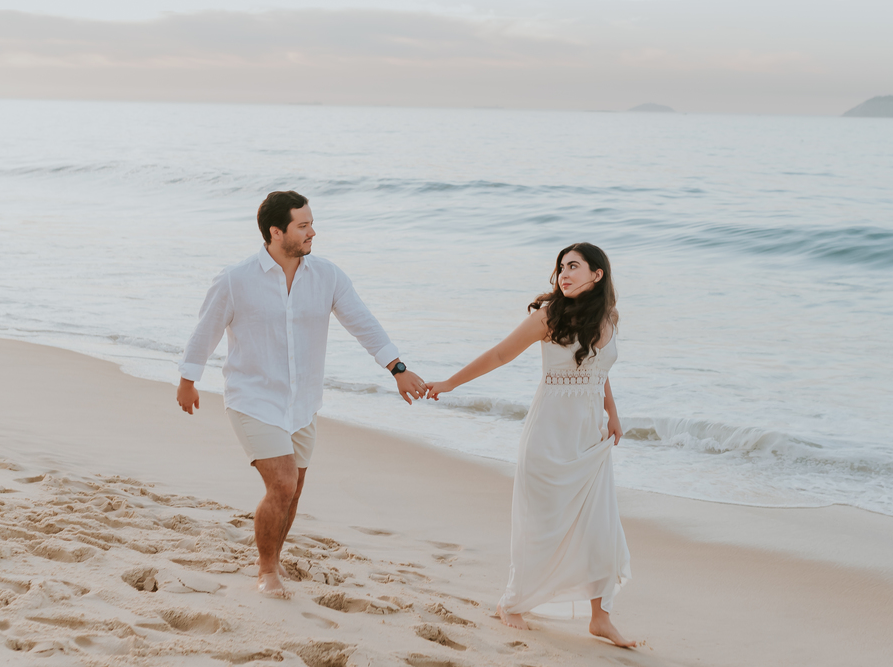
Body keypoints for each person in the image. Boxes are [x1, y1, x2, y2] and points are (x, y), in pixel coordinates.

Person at [176, 190, 426, 599]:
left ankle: (273, 555)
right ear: (276, 232)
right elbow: (205, 330)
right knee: (283, 485)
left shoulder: (327, 276)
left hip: (304, 403)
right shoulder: (236, 280)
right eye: (303, 225)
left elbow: (362, 322)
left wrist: (397, 368)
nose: (314, 232)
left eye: (312, 223)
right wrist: (188, 380)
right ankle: (267, 570)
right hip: (253, 398)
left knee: (293, 492)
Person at [426, 243, 636, 648]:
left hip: (590, 437)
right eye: (560, 267)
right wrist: (450, 383)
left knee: (600, 526)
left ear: (598, 274)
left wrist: (612, 410)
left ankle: (600, 617)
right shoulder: (548, 318)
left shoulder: (607, 318)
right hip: (549, 435)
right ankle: (514, 602)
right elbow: (501, 354)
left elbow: (598, 366)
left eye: (573, 266)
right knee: (539, 523)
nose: (564, 274)